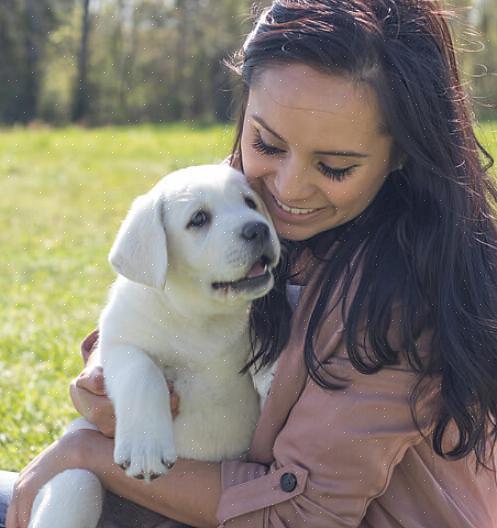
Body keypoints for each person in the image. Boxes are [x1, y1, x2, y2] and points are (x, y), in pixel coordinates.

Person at [3, 0, 497, 526]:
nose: (286, 190)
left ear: (402, 153)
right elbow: (152, 305)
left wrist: (86, 454)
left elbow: (301, 513)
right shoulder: (253, 205)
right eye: (266, 142)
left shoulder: (405, 292)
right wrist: (116, 378)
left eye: (333, 167)